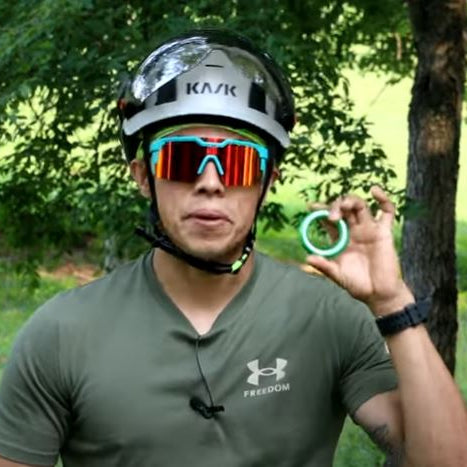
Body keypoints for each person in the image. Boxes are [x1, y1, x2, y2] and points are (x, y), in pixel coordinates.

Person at [0, 29, 466, 467]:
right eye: (182, 158)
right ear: (144, 176)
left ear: (267, 181)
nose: (210, 182)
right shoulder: (62, 334)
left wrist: (392, 302)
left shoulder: (330, 319)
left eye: (238, 162)